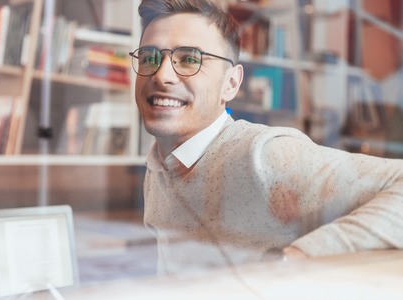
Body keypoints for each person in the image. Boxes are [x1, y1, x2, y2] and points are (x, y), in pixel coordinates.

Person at [129, 0, 403, 275]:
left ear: (231, 84)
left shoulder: (263, 155)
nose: (162, 75)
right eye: (149, 57)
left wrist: (292, 259)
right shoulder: (159, 164)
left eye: (189, 59)